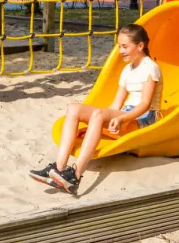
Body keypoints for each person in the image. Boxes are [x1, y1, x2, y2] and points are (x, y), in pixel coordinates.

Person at [27, 24, 161, 196]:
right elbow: (116, 104)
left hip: (144, 118)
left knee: (98, 114)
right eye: (119, 46)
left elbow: (145, 104)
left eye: (125, 46)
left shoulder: (151, 68)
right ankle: (59, 168)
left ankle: (75, 175)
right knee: (74, 108)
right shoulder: (127, 70)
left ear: (140, 46)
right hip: (127, 113)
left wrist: (121, 119)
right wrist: (106, 118)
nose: (121, 51)